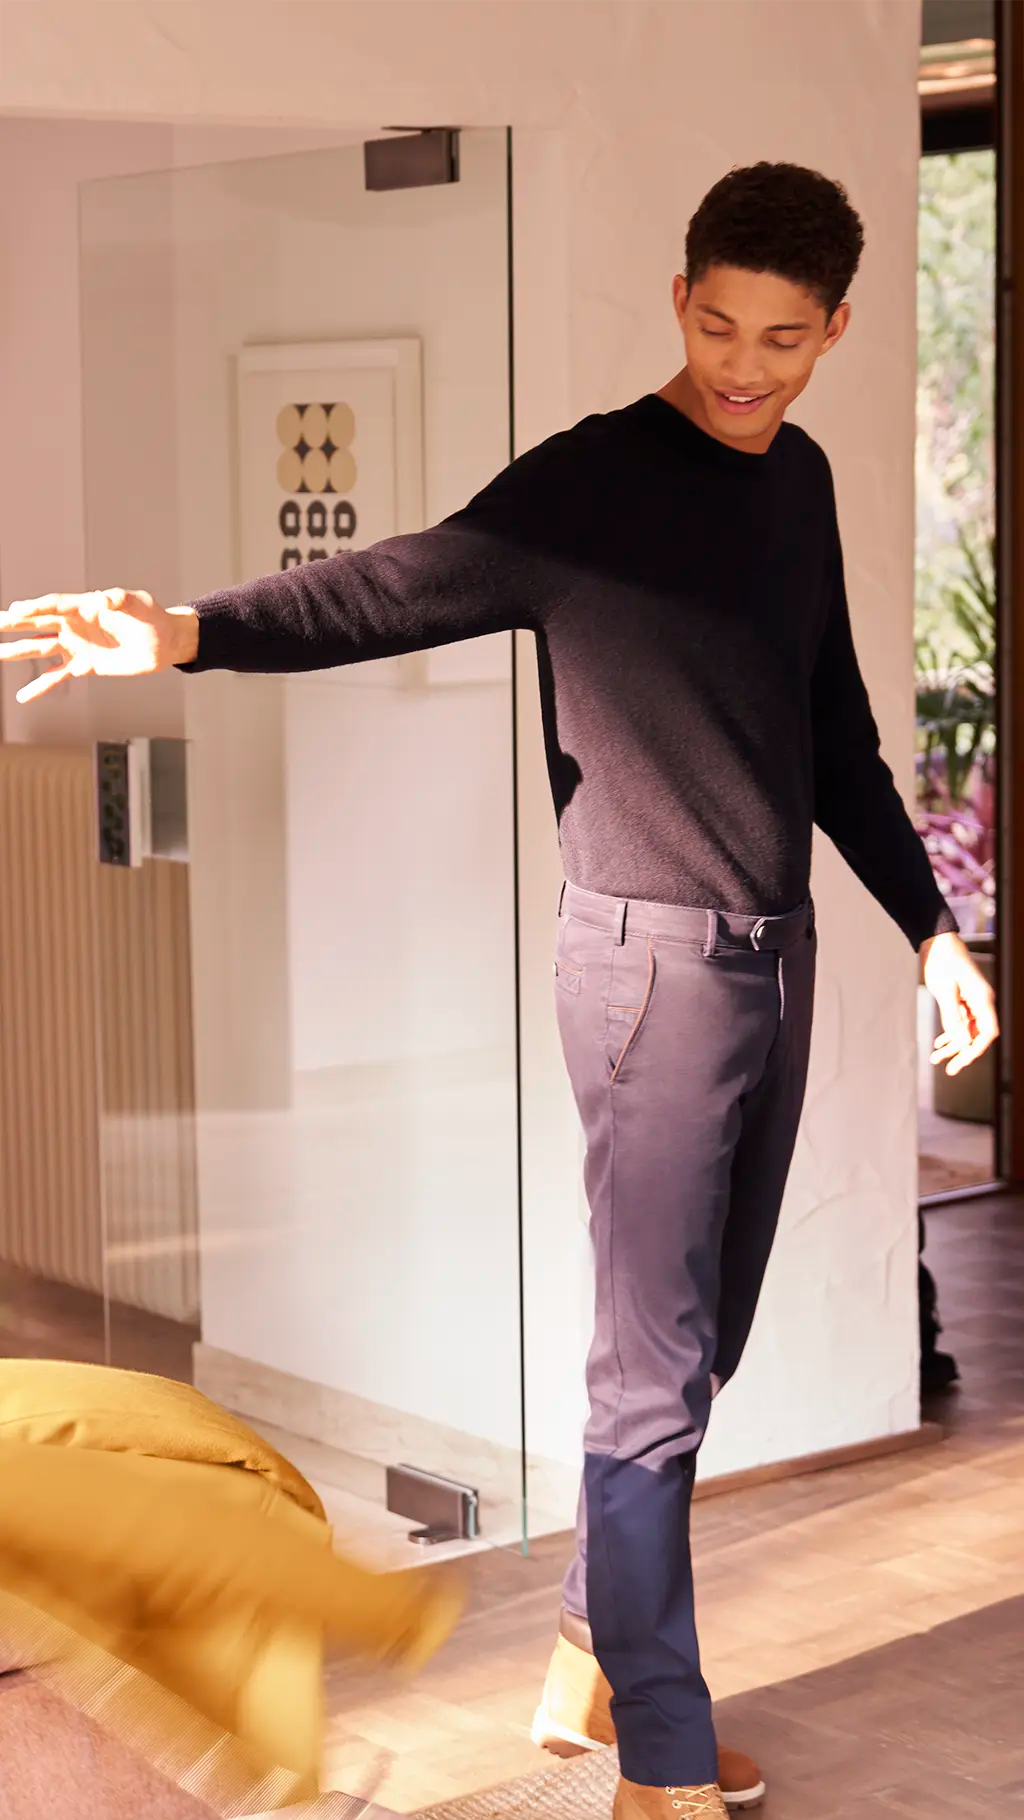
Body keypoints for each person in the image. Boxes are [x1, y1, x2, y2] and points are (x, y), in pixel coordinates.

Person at [0, 162, 998, 1820]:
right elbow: (386, 586)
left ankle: (591, 1662)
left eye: (783, 339)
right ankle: (657, 1760)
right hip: (647, 974)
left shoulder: (801, 483)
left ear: (834, 329)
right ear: (680, 300)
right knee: (652, 1373)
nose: (744, 368)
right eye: (720, 326)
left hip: (777, 956)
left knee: (703, 1347)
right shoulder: (590, 486)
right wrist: (176, 633)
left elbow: (833, 733)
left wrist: (932, 930)